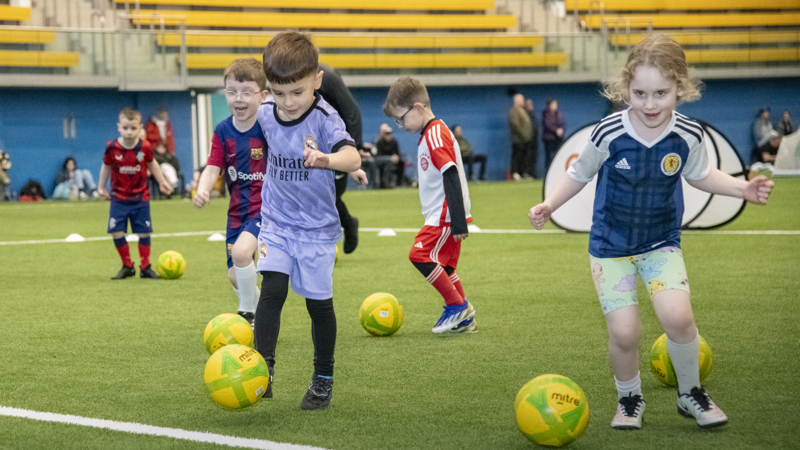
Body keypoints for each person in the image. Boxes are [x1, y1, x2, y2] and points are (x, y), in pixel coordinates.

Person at [529, 34, 774, 431]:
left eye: (661, 93)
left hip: (660, 243)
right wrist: (549, 205)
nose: (649, 104)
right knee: (624, 333)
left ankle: (690, 393)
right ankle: (629, 399)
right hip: (610, 248)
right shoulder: (608, 132)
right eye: (639, 93)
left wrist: (741, 187)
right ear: (626, 88)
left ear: (680, 87)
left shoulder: (688, 135)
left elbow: (700, 175)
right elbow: (578, 173)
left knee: (678, 318)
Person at [255, 30, 362, 411]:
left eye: (297, 92)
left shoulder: (324, 118)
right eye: (278, 92)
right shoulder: (266, 111)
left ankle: (323, 378)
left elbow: (353, 157)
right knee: (273, 290)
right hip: (276, 223)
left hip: (316, 230)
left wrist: (327, 160)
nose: (287, 102)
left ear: (317, 81)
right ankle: (260, 369)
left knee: (319, 306)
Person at [383, 76, 476, 335]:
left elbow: (451, 173)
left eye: (401, 118)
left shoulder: (435, 134)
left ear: (419, 108)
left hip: (445, 214)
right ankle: (464, 318)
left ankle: (457, 306)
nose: (400, 126)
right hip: (442, 213)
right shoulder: (430, 133)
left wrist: (456, 219)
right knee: (444, 266)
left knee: (419, 255)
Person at [193, 58, 269, 327]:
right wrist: (203, 189)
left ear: (263, 96)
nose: (239, 98)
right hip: (237, 212)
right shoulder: (223, 130)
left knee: (240, 254)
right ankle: (265, 318)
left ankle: (246, 317)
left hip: (268, 209)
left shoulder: (269, 126)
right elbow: (212, 167)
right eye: (232, 92)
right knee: (235, 275)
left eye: (247, 92)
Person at [98, 107, 173, 280]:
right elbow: (106, 166)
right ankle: (127, 266)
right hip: (119, 198)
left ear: (140, 128)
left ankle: (145, 267)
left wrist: (162, 181)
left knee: (144, 232)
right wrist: (101, 186)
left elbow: (152, 164)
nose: (129, 132)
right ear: (119, 127)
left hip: (141, 198)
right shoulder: (112, 147)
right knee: (116, 231)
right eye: (125, 128)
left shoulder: (144, 147)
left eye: (133, 128)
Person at [317, 63, 369, 254]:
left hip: (336, 143)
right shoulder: (295, 79)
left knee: (330, 195)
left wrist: (353, 149)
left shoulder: (327, 76)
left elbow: (351, 111)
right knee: (318, 194)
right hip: (315, 143)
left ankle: (348, 223)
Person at [508, 93, 533, 180]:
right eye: (521, 100)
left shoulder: (523, 110)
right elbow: (516, 125)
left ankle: (523, 173)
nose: (522, 102)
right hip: (518, 140)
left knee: (524, 157)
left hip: (525, 139)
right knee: (517, 156)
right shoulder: (514, 111)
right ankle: (515, 172)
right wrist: (524, 135)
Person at [375, 123, 405, 188]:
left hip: (392, 159)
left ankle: (399, 182)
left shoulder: (394, 142)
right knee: (388, 161)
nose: (388, 135)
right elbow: (379, 154)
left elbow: (397, 152)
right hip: (381, 160)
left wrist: (396, 156)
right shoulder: (380, 142)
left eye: (389, 133)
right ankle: (386, 181)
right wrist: (390, 158)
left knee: (401, 162)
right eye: (387, 134)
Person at [542, 97, 565, 172]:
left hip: (558, 139)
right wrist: (556, 130)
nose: (555, 106)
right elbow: (547, 125)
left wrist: (560, 130)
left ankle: (557, 172)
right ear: (549, 105)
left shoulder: (558, 114)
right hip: (548, 139)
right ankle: (548, 173)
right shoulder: (545, 114)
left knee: (557, 156)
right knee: (549, 157)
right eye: (554, 104)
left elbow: (562, 124)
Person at [525, 98, 540, 179]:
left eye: (531, 104)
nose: (530, 106)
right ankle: (527, 173)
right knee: (528, 158)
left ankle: (532, 173)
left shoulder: (533, 114)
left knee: (534, 157)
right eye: (529, 104)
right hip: (528, 140)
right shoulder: (525, 114)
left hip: (535, 139)